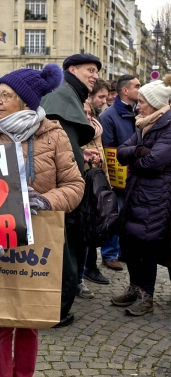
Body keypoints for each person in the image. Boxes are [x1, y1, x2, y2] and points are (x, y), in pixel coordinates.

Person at [0, 65, 85, 377]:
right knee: (0, 317)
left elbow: (75, 185)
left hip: (40, 238)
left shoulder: (53, 135)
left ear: (25, 100)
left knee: (30, 317)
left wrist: (44, 201)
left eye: (5, 95)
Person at [41, 53, 98, 327]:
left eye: (97, 70)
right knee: (61, 254)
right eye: (90, 69)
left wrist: (80, 156)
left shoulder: (67, 94)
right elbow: (56, 147)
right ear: (72, 69)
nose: (95, 75)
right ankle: (56, 310)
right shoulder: (61, 96)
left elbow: (67, 146)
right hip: (56, 192)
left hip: (61, 189)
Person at [112, 75, 171, 316]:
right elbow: (121, 153)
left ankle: (146, 296)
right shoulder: (144, 123)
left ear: (155, 103)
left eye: (142, 101)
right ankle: (135, 287)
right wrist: (138, 150)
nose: (138, 106)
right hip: (137, 192)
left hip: (157, 197)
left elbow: (155, 161)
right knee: (131, 243)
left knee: (147, 245)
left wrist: (136, 159)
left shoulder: (168, 124)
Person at [100, 74, 140, 271]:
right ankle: (109, 254)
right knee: (114, 213)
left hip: (135, 171)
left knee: (129, 214)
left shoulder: (137, 111)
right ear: (126, 90)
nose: (140, 90)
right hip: (118, 174)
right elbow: (108, 148)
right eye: (137, 86)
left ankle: (123, 251)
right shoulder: (108, 116)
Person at [76, 102, 110, 299]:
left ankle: (82, 277)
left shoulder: (98, 132)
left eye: (90, 113)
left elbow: (104, 165)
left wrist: (107, 189)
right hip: (78, 191)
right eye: (84, 113)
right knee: (78, 240)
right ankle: (78, 279)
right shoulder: (74, 135)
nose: (88, 117)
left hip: (94, 193)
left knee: (88, 239)